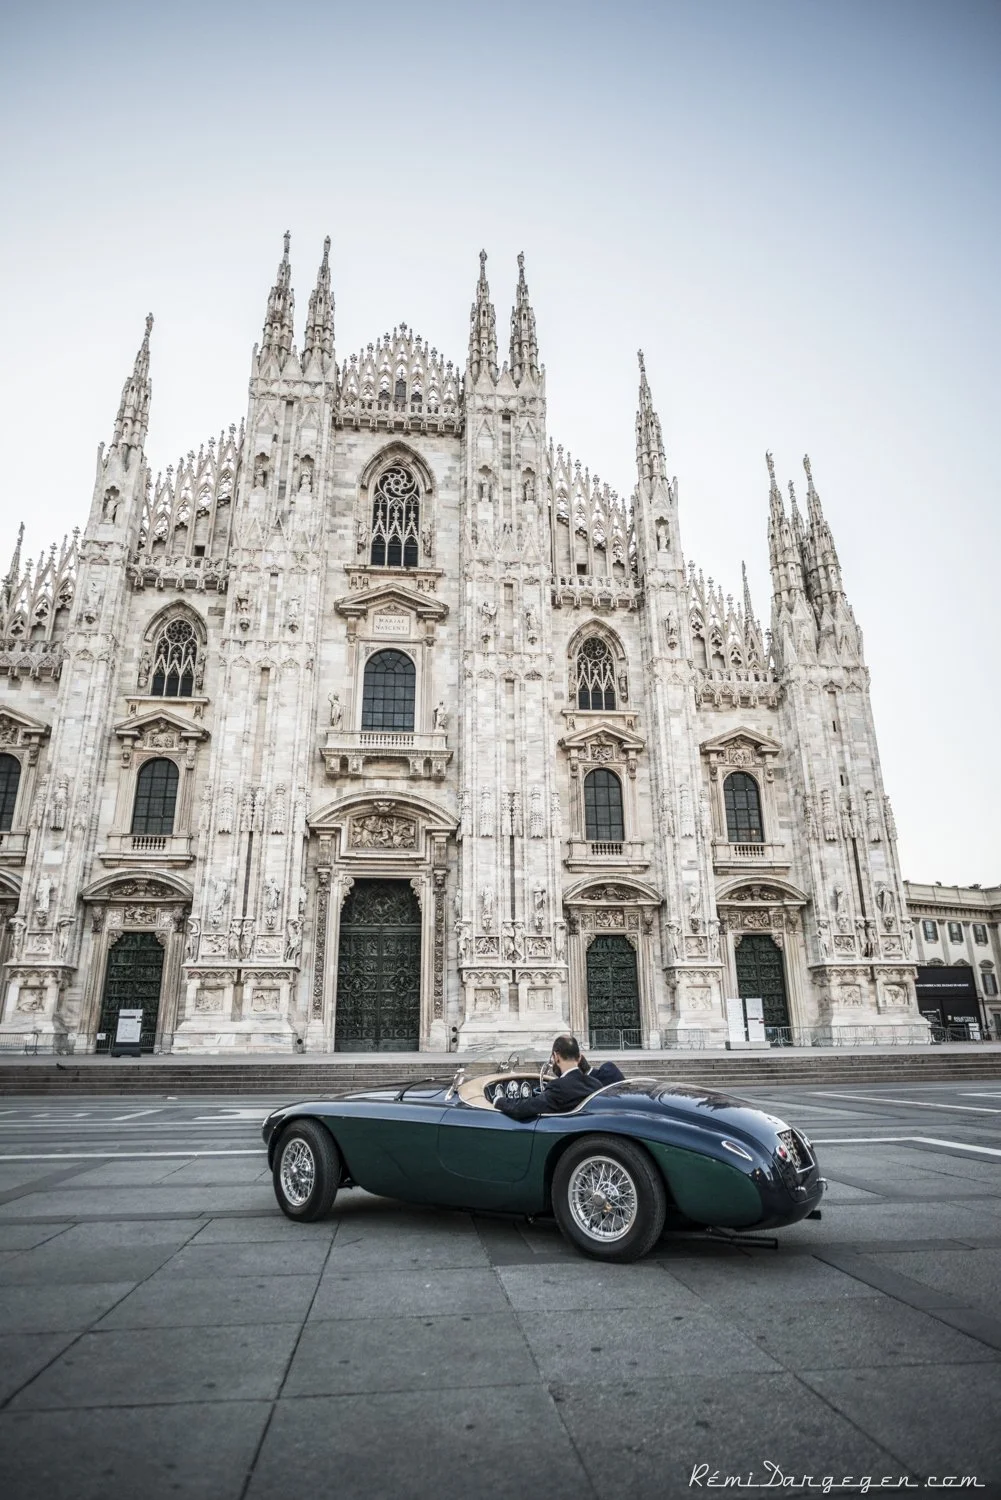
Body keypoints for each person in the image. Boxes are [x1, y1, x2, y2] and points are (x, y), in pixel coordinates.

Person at [493, 1034, 603, 1121]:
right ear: (579, 1058)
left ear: (556, 1056)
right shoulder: (596, 1084)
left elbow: (523, 1109)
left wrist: (498, 1100)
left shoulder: (558, 1087)